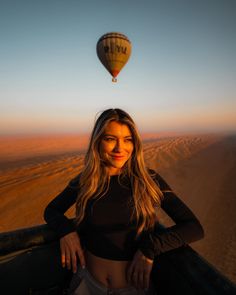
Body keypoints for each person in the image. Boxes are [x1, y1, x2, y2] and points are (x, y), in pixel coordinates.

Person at [44, 108, 204, 295]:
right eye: (110, 139)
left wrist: (149, 249)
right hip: (86, 283)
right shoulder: (86, 181)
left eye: (127, 140)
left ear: (135, 144)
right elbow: (52, 210)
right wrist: (67, 231)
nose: (120, 148)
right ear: (97, 142)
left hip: (133, 289)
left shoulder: (148, 181)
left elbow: (194, 227)